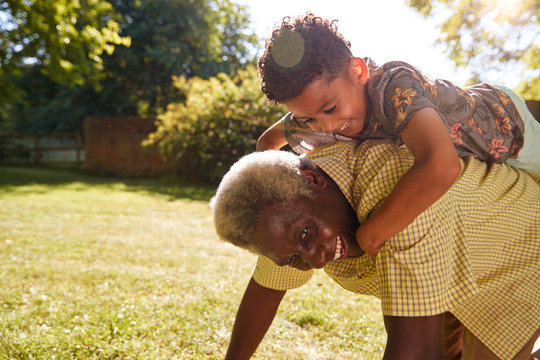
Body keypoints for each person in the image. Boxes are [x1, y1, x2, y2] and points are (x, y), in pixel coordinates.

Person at [211, 139, 540, 360]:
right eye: (294, 258)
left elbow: (416, 351)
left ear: (314, 181)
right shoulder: (287, 222)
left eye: (307, 234)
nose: (315, 258)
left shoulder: (399, 187)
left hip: (521, 257)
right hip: (451, 274)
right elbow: (264, 291)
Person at [255, 13, 540, 259]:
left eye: (331, 108)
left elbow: (441, 165)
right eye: (309, 120)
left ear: (358, 71)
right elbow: (267, 143)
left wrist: (370, 235)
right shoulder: (315, 108)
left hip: (507, 123)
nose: (326, 126)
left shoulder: (394, 84)